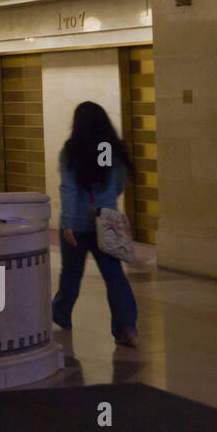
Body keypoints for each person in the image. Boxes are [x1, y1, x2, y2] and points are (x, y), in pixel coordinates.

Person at [51, 101, 139, 347]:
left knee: (71, 273)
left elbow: (68, 189)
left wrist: (68, 222)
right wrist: (108, 204)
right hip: (107, 222)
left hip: (76, 224)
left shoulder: (71, 151)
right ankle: (126, 327)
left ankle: (60, 314)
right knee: (114, 276)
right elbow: (117, 183)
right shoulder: (110, 150)